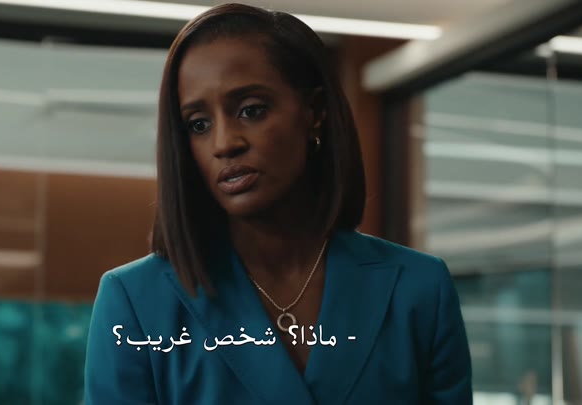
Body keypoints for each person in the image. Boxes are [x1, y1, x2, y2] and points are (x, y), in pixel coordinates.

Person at [84, 3, 472, 404]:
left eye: (251, 111)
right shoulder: (135, 301)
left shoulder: (419, 288)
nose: (224, 143)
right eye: (198, 124)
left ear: (314, 113)